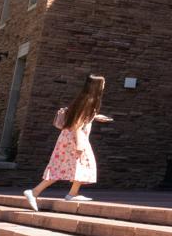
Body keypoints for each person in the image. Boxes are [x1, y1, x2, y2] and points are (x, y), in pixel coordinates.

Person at [23, 74, 112, 209]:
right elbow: (77, 123)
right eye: (103, 83)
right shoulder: (89, 100)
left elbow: (77, 115)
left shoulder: (83, 98)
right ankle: (42, 192)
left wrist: (96, 117)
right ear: (97, 86)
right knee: (85, 164)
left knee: (63, 166)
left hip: (67, 137)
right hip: (76, 137)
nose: (104, 86)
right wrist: (80, 144)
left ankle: (41, 192)